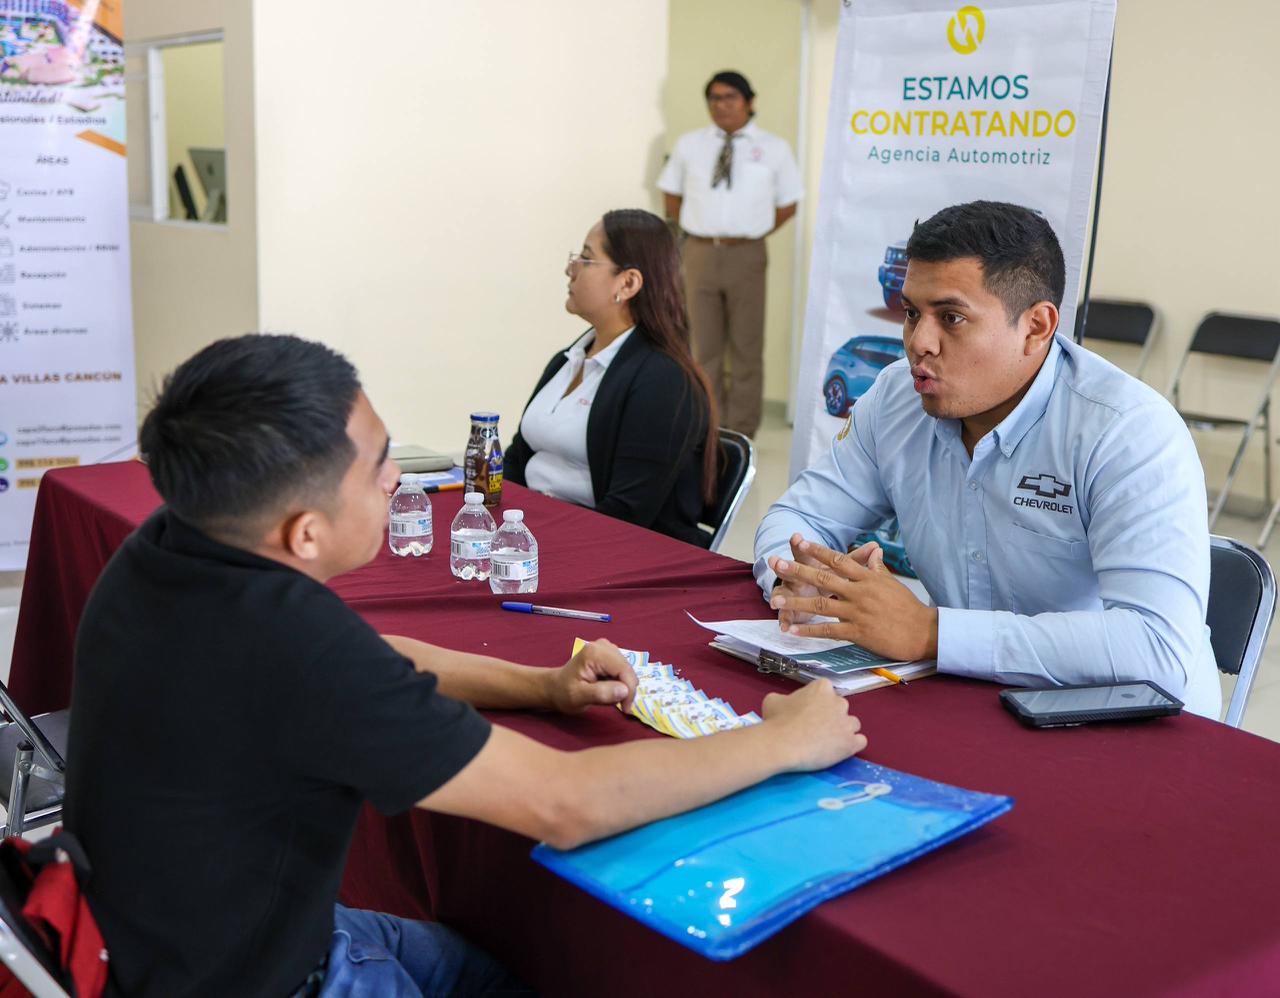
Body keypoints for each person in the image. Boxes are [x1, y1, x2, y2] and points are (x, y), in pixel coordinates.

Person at [65, 333, 867, 997]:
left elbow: (373, 657)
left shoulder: (168, 548)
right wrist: (783, 741)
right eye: (378, 467)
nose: (397, 479)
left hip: (166, 939)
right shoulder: (290, 647)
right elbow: (566, 803)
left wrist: (544, 686)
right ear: (306, 532)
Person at [755, 201, 1221, 718]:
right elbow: (799, 516)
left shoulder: (1126, 431)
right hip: (970, 697)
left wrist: (933, 633)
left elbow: (1156, 648)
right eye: (911, 314)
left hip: (1131, 722)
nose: (918, 343)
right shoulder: (895, 400)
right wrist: (799, 578)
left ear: (1036, 327)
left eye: (951, 318)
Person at [504, 209, 717, 547]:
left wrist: (535, 539)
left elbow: (626, 514)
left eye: (586, 259)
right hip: (539, 533)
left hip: (609, 551)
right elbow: (516, 460)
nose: (570, 269)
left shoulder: (664, 380)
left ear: (627, 283)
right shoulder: (569, 358)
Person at [657, 70, 803, 438]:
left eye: (729, 98)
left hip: (747, 255)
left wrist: (753, 231)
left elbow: (789, 203)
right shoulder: (690, 145)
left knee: (746, 346)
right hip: (699, 252)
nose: (720, 105)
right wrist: (695, 226)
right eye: (714, 98)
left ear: (749, 102)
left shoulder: (774, 148)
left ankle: (740, 433)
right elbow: (671, 194)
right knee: (701, 346)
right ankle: (707, 427)